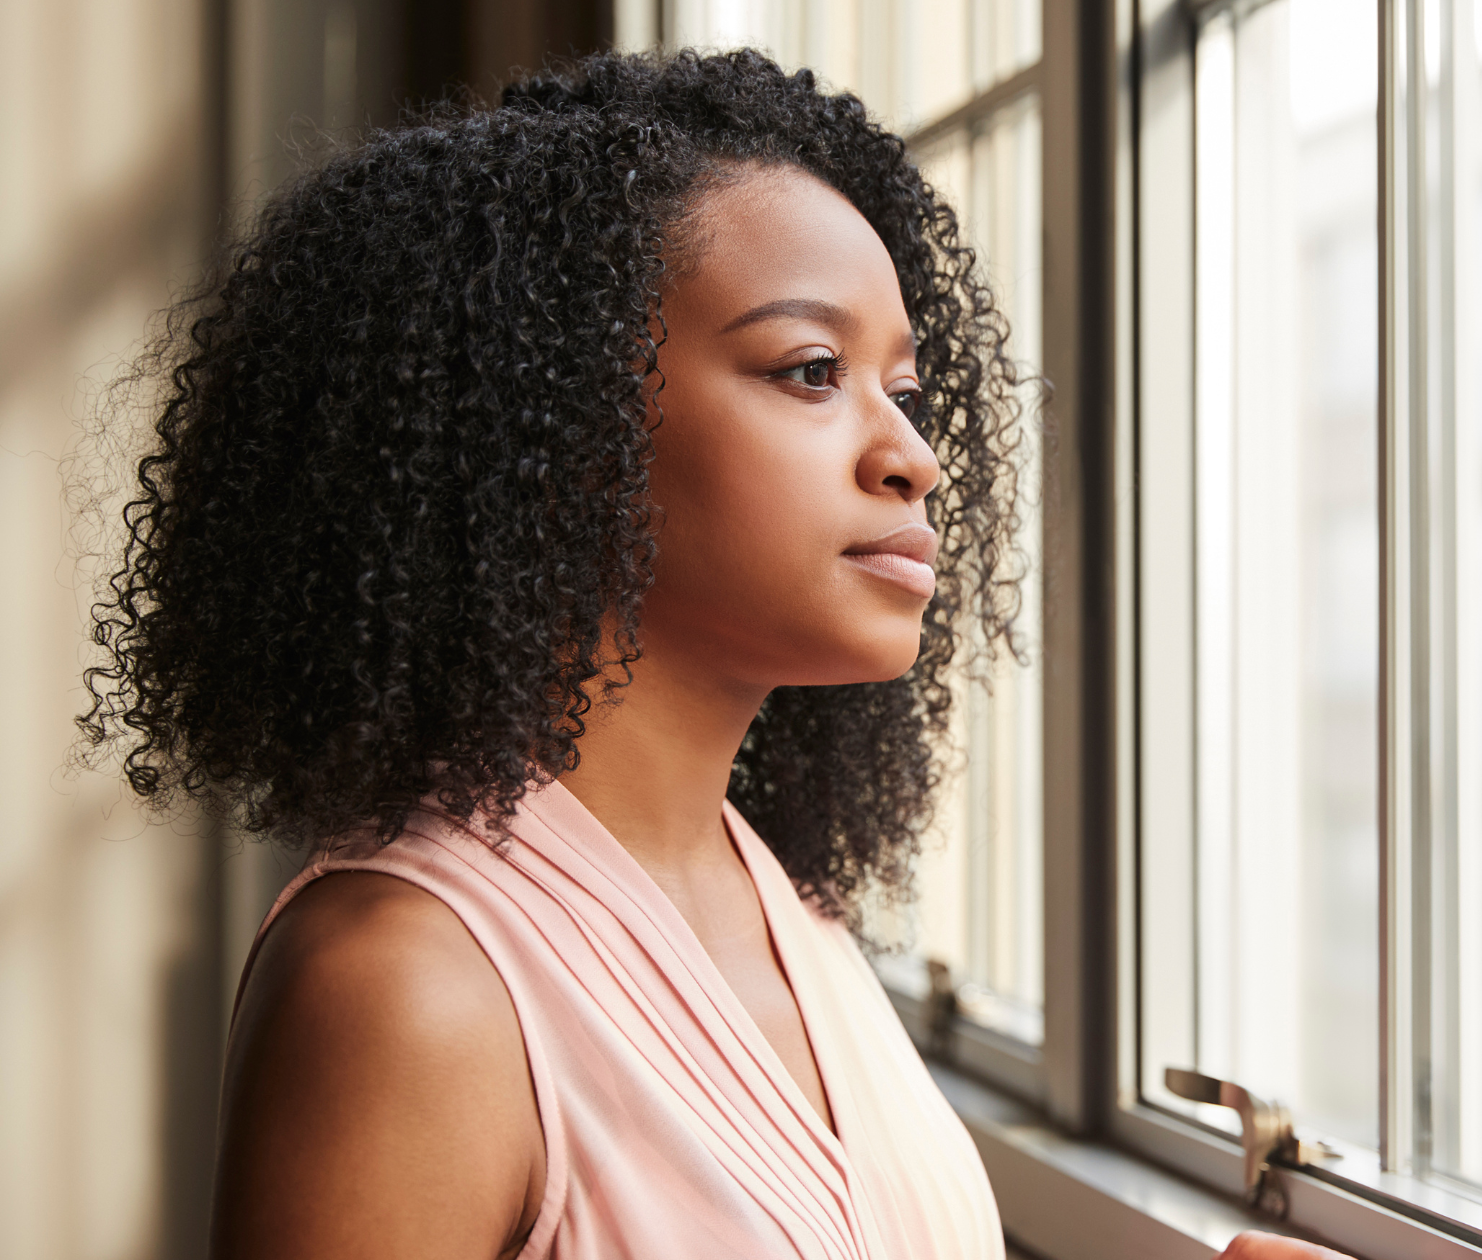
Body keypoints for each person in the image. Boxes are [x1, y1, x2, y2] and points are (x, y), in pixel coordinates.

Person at [84, 47, 1347, 1260]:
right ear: (561, 425)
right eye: (810, 370)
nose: (911, 454)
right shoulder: (407, 989)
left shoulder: (786, 909)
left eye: (903, 390)